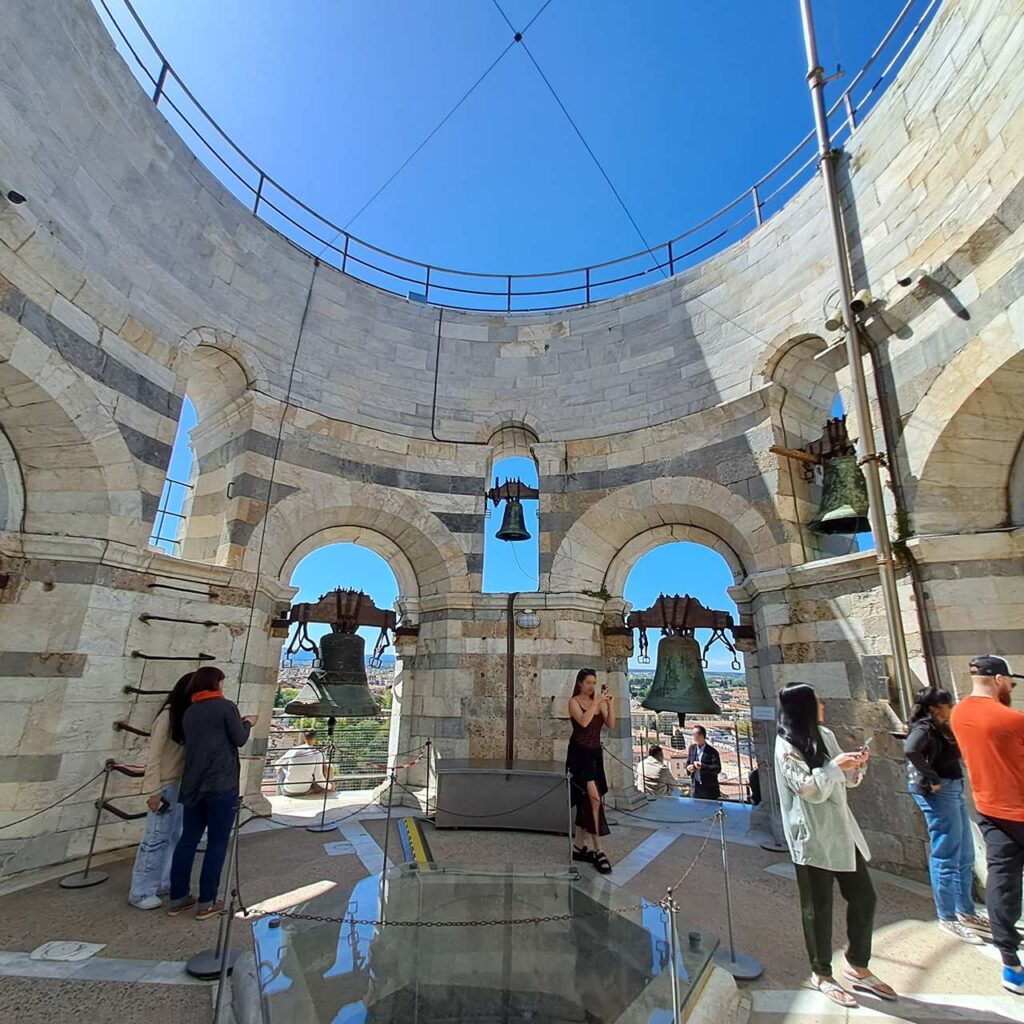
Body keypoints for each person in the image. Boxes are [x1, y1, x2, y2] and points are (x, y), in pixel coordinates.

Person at [775, 682, 896, 1007]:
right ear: (803, 707)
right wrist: (835, 767)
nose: (823, 704)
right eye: (817, 700)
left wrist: (855, 765)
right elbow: (808, 790)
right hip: (813, 837)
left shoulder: (824, 736)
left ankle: (858, 964)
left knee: (864, 897)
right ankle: (821, 973)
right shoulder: (785, 747)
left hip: (842, 833)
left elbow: (842, 780)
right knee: (818, 908)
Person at [950, 655, 1024, 994]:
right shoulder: (1012, 719)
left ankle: (1010, 963)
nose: (1011, 687)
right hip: (1019, 807)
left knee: (1002, 882)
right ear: (998, 679)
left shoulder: (958, 714)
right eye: (1010, 682)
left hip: (989, 809)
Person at [167, 666, 257, 921]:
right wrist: (248, 723)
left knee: (188, 840)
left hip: (193, 784)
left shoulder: (189, 712)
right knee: (217, 843)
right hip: (221, 783)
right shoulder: (225, 707)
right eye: (221, 682)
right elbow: (239, 739)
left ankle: (178, 898)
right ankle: (207, 902)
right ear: (215, 684)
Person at [904, 686, 987, 944]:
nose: (951, 708)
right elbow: (911, 749)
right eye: (947, 704)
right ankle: (948, 916)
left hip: (953, 788)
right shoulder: (924, 727)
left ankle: (966, 910)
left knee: (964, 852)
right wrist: (931, 777)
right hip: (940, 793)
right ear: (934, 708)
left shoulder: (939, 726)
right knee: (947, 853)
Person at [127, 673, 192, 910]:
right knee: (155, 839)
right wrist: (153, 791)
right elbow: (153, 758)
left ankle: (164, 880)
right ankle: (141, 891)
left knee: (175, 835)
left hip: (181, 785)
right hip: (165, 786)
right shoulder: (167, 717)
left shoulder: (185, 717)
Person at [566, 668, 615, 874]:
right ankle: (599, 850)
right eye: (588, 683)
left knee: (589, 800)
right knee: (594, 799)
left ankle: (578, 846)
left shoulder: (599, 702)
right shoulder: (574, 703)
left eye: (594, 683)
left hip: (595, 756)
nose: (592, 687)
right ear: (580, 684)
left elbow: (611, 725)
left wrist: (609, 706)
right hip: (579, 756)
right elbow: (584, 723)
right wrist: (596, 702)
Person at [275, 728, 335, 797]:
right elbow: (319, 778)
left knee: (279, 769)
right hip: (305, 790)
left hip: (288, 791)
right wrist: (331, 787)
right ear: (315, 739)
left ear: (304, 738)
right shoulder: (317, 754)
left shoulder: (294, 750)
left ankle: (279, 796)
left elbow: (277, 765)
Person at [685, 726, 722, 800]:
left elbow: (717, 768)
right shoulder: (692, 748)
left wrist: (703, 766)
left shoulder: (712, 752)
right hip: (695, 787)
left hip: (709, 789)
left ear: (701, 736)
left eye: (694, 734)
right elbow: (688, 762)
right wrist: (689, 768)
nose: (692, 736)